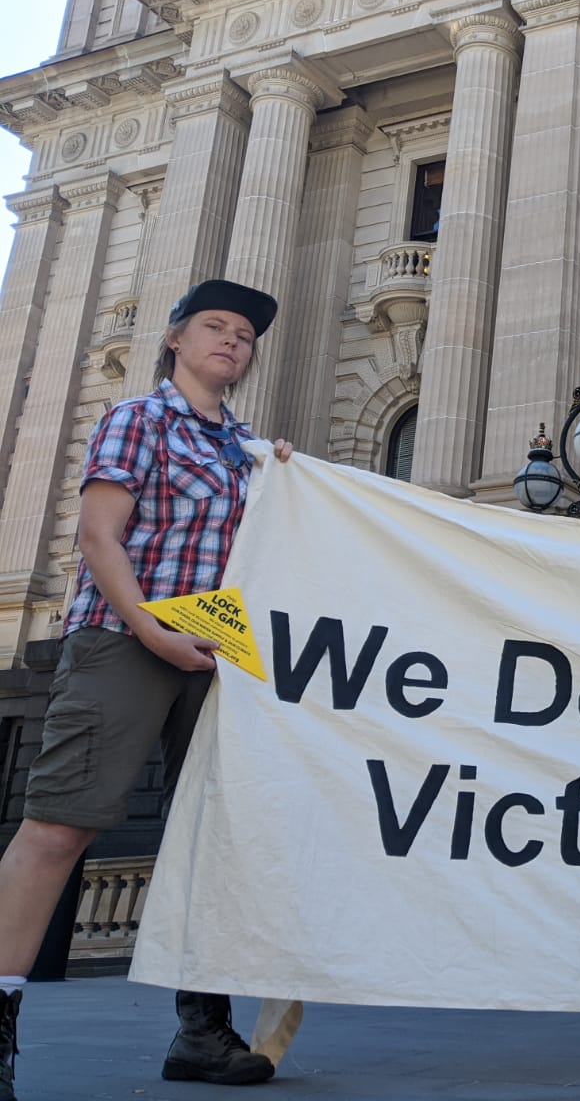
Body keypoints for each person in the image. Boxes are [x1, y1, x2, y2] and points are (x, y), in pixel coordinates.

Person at [0, 280, 295, 1100]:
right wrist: (150, 628)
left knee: (210, 834)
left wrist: (289, 480)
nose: (232, 341)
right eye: (215, 326)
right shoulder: (140, 419)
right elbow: (99, 535)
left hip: (218, 649)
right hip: (125, 639)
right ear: (175, 339)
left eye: (244, 334)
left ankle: (202, 1028)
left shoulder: (246, 448)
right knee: (60, 825)